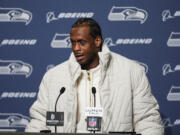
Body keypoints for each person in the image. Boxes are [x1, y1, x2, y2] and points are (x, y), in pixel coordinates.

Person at [25, 18, 164, 134]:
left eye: (81, 42)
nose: (76, 48)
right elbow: (39, 121)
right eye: (73, 42)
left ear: (97, 41)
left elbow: (148, 121)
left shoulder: (131, 72)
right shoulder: (53, 77)